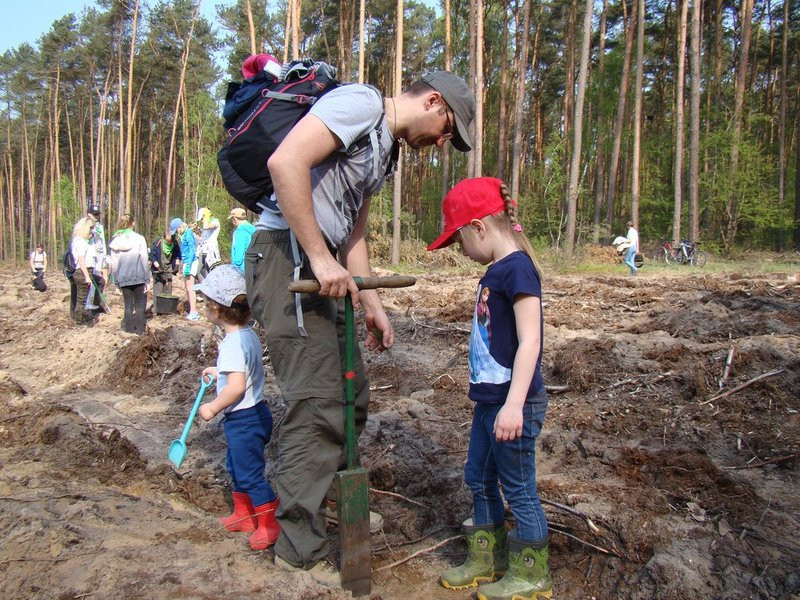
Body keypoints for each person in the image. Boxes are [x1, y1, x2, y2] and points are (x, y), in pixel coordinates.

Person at [244, 70, 474, 581]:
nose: (441, 144)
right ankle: (298, 551)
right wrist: (320, 259)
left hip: (323, 268)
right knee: (319, 401)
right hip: (287, 259)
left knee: (352, 397)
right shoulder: (360, 105)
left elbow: (354, 230)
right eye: (447, 132)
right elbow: (285, 163)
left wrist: (371, 300)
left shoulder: (385, 147)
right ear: (434, 102)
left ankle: (329, 507)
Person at [428, 177, 552, 600]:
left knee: (518, 488)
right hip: (489, 402)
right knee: (478, 479)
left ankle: (532, 575)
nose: (460, 251)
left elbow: (531, 339)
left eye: (459, 239)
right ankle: (489, 558)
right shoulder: (496, 270)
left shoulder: (517, 269)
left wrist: (515, 405)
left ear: (479, 227)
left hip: (513, 405)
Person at [194, 264, 280, 551]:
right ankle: (244, 515)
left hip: (244, 419)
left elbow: (236, 387)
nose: (205, 307)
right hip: (254, 414)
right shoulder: (247, 335)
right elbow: (239, 372)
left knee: (250, 473)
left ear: (217, 309)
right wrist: (217, 371)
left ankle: (269, 524)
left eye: (206, 303)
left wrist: (212, 407)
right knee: (236, 466)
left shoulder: (231, 343)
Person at [109, 214, 150, 335]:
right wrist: (147, 278)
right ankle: (140, 332)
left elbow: (114, 263)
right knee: (140, 306)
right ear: (133, 223)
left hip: (123, 278)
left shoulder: (116, 241)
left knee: (128, 305)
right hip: (138, 277)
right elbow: (143, 259)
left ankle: (128, 331)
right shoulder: (139, 239)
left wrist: (116, 279)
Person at [69, 217, 100, 324]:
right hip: (83, 271)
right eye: (91, 228)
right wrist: (87, 276)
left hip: (84, 271)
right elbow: (81, 259)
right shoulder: (80, 242)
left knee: (83, 298)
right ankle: (79, 321)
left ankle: (83, 318)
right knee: (82, 299)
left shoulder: (80, 241)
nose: (92, 230)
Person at [171, 217, 201, 321]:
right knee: (186, 287)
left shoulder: (188, 233)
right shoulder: (183, 234)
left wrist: (188, 264)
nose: (176, 233)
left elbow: (192, 249)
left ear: (179, 227)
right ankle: (193, 311)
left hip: (191, 262)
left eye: (176, 230)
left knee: (190, 287)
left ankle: (194, 312)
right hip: (186, 261)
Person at [150, 229, 181, 297]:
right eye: (167, 242)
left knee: (168, 291)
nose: (169, 243)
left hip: (169, 269)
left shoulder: (175, 244)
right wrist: (158, 267)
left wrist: (176, 266)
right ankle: (158, 306)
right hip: (158, 269)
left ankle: (167, 305)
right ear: (163, 238)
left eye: (170, 242)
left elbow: (177, 256)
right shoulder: (156, 243)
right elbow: (152, 257)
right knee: (158, 290)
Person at [197, 207, 221, 274]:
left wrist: (206, 217)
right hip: (204, 251)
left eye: (202, 218)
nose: (201, 221)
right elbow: (202, 239)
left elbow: (206, 227)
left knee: (213, 272)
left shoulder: (215, 221)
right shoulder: (207, 223)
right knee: (200, 273)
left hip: (212, 252)